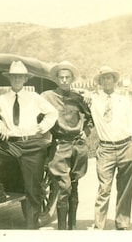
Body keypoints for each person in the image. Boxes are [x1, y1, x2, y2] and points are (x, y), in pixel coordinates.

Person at [0, 60, 58, 229]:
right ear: (9, 79)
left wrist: (42, 126)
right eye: (14, 77)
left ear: (25, 79)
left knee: (32, 191)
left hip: (32, 145)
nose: (17, 80)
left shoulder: (35, 98)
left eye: (20, 76)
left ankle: (30, 230)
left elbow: (53, 112)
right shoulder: (1, 100)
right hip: (10, 145)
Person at [41, 61, 94, 230]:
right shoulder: (47, 96)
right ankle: (62, 231)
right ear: (56, 79)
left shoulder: (79, 98)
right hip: (60, 146)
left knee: (74, 185)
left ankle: (72, 228)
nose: (64, 80)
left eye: (67, 77)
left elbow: (91, 119)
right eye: (61, 77)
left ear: (72, 79)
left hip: (78, 146)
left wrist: (86, 130)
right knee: (64, 187)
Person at [89, 65, 132, 230]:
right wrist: (87, 96)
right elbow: (78, 95)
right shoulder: (94, 100)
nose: (106, 81)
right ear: (100, 82)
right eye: (103, 78)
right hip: (106, 149)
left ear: (114, 80)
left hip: (126, 146)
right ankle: (99, 225)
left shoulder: (124, 100)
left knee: (125, 188)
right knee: (104, 188)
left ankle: (122, 222)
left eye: (109, 77)